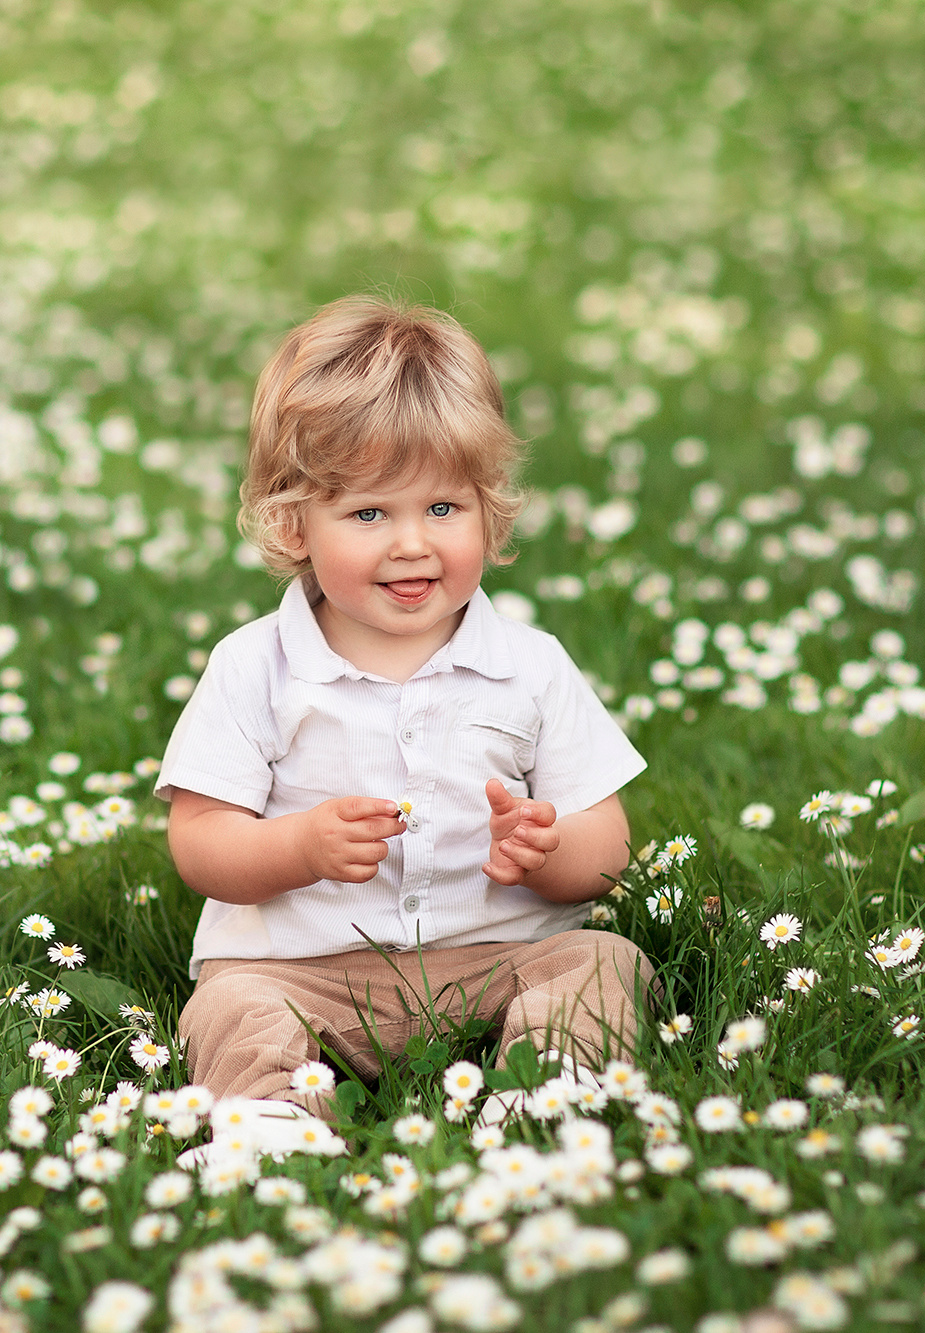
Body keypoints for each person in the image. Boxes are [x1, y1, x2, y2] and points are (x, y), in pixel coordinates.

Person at [156, 294, 650, 1143]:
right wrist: (297, 847)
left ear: (490, 510)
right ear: (292, 522)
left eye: (443, 509)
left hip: (496, 961)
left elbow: (607, 844)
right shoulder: (255, 667)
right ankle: (271, 1116)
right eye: (370, 513)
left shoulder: (530, 666)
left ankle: (546, 1086)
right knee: (231, 1005)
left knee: (605, 961)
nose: (412, 543)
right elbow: (200, 838)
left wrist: (548, 850)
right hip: (302, 972)